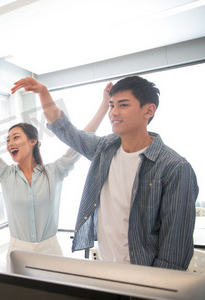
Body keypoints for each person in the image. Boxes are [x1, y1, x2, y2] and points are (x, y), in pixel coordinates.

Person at [12, 76, 199, 270]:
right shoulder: (104, 149)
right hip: (106, 271)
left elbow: (174, 252)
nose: (114, 113)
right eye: (111, 105)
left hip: (144, 278)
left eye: (123, 105)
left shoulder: (175, 168)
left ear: (149, 110)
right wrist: (44, 93)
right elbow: (65, 130)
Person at [0, 85, 109, 270]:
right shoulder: (5, 174)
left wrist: (105, 105)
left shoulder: (55, 172)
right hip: (18, 251)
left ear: (33, 141)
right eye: (8, 140)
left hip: (50, 250)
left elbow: (82, 139)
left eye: (16, 137)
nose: (10, 143)